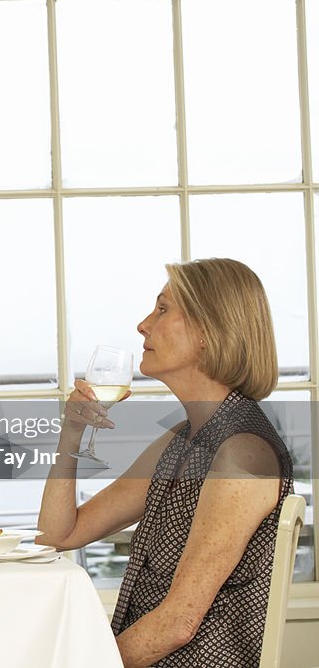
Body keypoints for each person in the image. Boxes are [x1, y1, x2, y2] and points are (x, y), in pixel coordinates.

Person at [37, 257, 293, 668]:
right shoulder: (184, 437)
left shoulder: (243, 450)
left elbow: (179, 623)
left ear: (210, 331)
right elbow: (59, 534)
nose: (143, 324)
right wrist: (71, 434)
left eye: (162, 309)